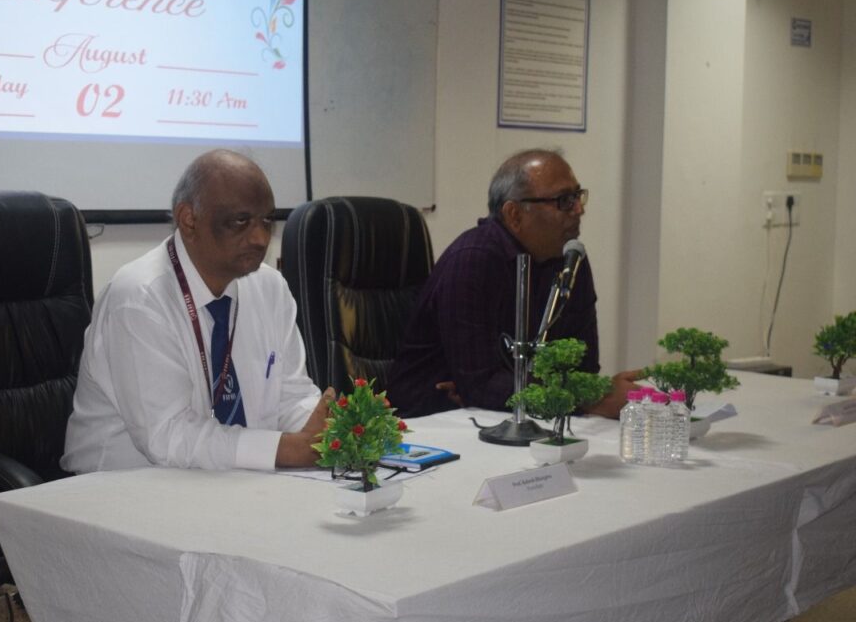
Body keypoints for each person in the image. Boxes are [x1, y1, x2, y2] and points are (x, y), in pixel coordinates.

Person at [61, 149, 333, 473]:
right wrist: (285, 450)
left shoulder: (270, 287)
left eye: (266, 221)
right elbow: (168, 436)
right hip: (118, 485)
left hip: (229, 479)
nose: (261, 238)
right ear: (189, 220)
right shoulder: (139, 298)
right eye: (241, 221)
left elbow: (290, 395)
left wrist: (327, 430)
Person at [389, 148, 639, 418]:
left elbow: (582, 367)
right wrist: (589, 396)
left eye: (577, 196)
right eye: (564, 200)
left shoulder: (570, 258)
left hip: (517, 415)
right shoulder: (473, 259)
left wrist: (579, 391)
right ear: (514, 215)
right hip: (433, 420)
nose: (579, 209)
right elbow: (482, 386)